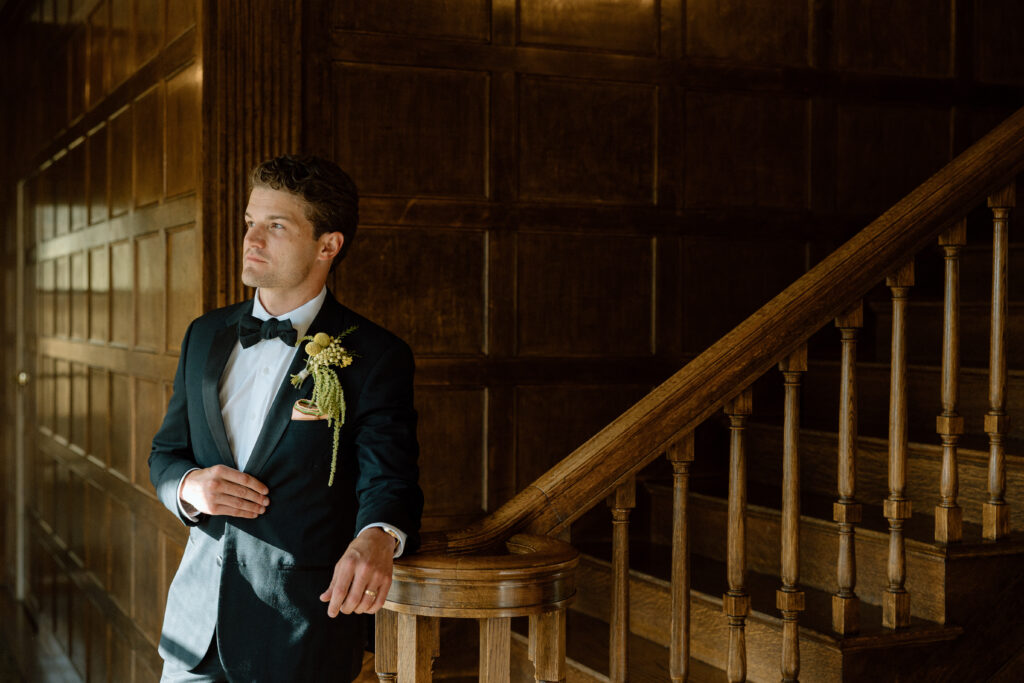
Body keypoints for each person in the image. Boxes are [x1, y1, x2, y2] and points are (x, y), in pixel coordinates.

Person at [148, 155, 423, 682]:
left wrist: (378, 535)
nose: (252, 239)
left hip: (300, 634)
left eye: (276, 227)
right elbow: (165, 453)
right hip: (193, 631)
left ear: (328, 245)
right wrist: (188, 487)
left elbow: (390, 477)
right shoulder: (203, 334)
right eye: (251, 222)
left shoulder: (376, 355)